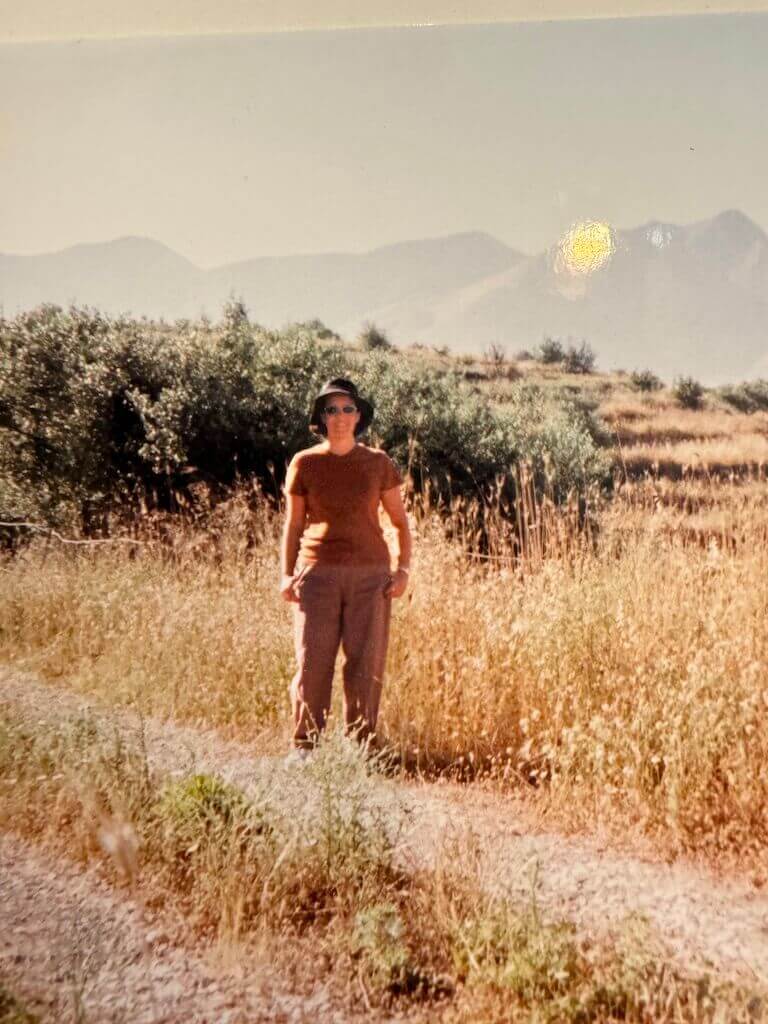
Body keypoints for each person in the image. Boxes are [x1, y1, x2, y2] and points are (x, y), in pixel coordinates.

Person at [280, 377, 411, 759]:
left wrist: (403, 570)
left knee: (365, 663)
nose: (339, 417)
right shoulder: (305, 463)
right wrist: (286, 575)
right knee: (312, 661)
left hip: (370, 578)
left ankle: (362, 749)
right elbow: (293, 525)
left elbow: (401, 522)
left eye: (347, 409)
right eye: (331, 409)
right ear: (321, 418)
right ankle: (305, 747)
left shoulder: (378, 464)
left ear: (359, 416)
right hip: (317, 575)